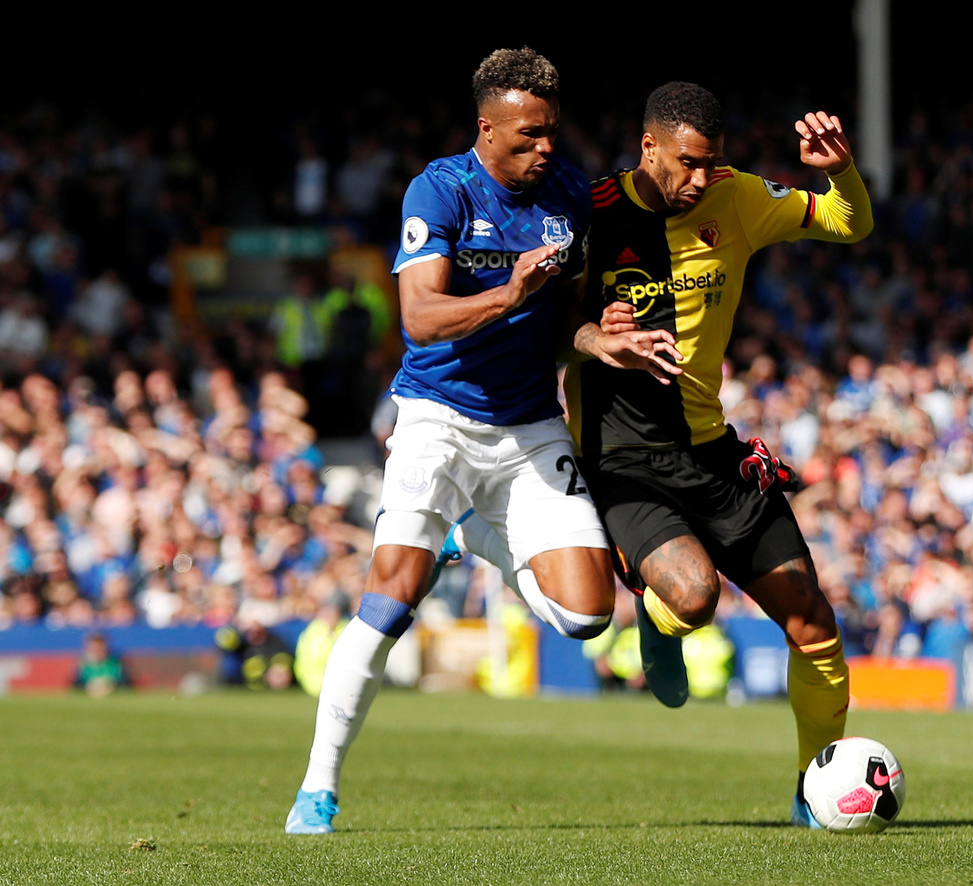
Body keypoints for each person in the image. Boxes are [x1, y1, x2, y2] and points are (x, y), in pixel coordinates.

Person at [285, 48, 677, 836]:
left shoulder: (570, 194)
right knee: (390, 601)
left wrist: (600, 340)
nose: (545, 148)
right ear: (487, 128)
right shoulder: (442, 190)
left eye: (552, 132)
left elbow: (564, 319)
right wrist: (508, 292)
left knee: (586, 619)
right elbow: (420, 318)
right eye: (529, 135)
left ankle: (472, 537)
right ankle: (317, 790)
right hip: (436, 418)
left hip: (529, 424)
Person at [568, 82, 873, 827]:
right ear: (649, 147)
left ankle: (813, 795)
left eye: (712, 162)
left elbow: (849, 222)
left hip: (713, 452)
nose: (701, 178)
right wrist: (596, 338)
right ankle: (660, 618)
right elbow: (540, 327)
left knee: (813, 622)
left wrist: (840, 171)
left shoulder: (737, 198)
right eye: (688, 163)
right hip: (623, 458)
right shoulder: (591, 213)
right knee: (695, 597)